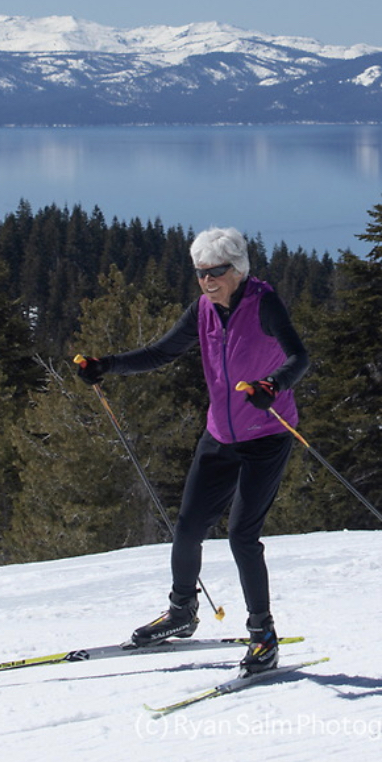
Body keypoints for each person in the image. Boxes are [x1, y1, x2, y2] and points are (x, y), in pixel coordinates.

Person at [74, 226, 309, 674]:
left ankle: (263, 635)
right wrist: (107, 365)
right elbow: (161, 352)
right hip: (219, 436)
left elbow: (300, 358)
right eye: (200, 272)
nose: (206, 281)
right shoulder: (203, 309)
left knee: (242, 535)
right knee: (187, 528)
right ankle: (182, 614)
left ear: (237, 270)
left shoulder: (264, 303)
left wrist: (272, 386)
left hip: (265, 435)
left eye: (215, 271)